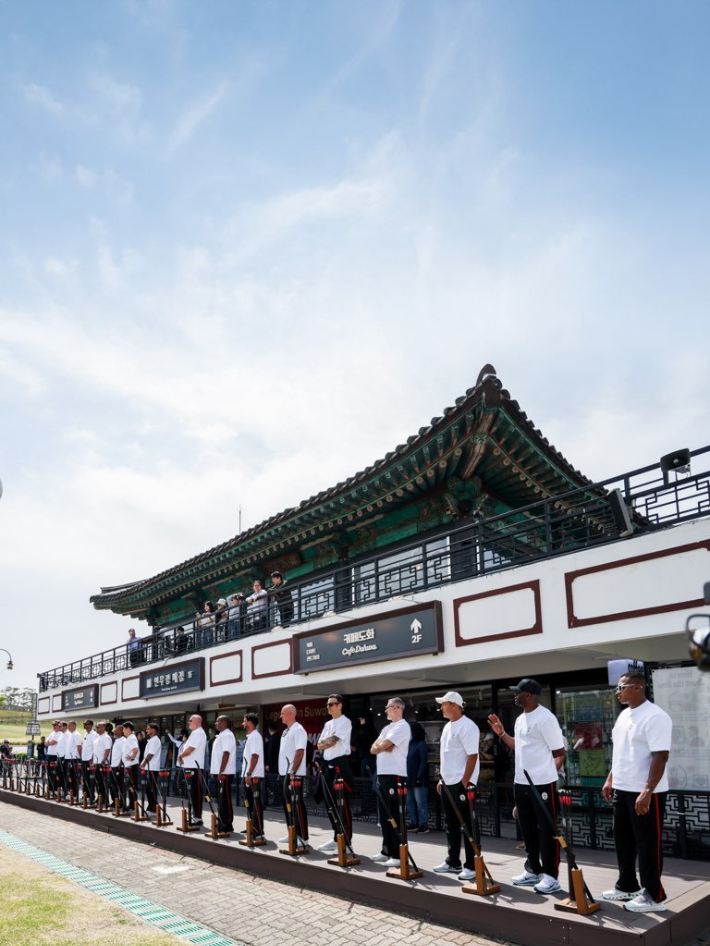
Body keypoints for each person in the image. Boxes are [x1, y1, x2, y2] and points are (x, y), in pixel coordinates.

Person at [601, 672, 672, 913]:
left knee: (647, 844)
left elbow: (660, 756)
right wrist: (611, 778)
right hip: (622, 788)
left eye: (621, 687)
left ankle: (654, 895)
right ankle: (626, 885)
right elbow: (621, 752)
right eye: (617, 688)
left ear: (638, 688)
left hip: (645, 792)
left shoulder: (655, 716)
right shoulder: (623, 715)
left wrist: (647, 791)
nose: (617, 692)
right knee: (623, 840)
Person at [488, 679, 566, 894]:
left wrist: (550, 774)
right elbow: (517, 746)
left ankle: (551, 876)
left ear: (529, 695)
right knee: (528, 829)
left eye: (518, 692)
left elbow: (560, 753)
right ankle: (533, 870)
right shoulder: (521, 718)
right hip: (520, 782)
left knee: (547, 830)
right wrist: (502, 733)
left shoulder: (546, 718)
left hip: (542, 784)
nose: (515, 695)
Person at [433, 692, 480, 880]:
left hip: (462, 783)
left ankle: (472, 865)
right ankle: (453, 861)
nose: (441, 708)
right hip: (447, 782)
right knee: (451, 824)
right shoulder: (447, 726)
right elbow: (446, 756)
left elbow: (472, 756)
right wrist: (441, 779)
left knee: (468, 824)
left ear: (453, 704)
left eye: (443, 704)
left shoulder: (469, 726)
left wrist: (465, 781)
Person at [371, 697, 411, 867]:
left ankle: (397, 854)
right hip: (382, 774)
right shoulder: (387, 727)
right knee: (384, 815)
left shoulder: (403, 726)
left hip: (395, 774)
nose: (386, 711)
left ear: (396, 708)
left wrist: (383, 745)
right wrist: (383, 746)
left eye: (387, 708)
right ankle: (386, 850)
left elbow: (388, 744)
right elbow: (373, 748)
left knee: (394, 814)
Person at [316, 694, 354, 852]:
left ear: (340, 705)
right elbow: (320, 744)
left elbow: (331, 741)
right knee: (329, 802)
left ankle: (346, 839)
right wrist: (325, 743)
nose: (328, 707)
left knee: (342, 802)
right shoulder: (327, 724)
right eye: (327, 704)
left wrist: (326, 743)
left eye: (331, 704)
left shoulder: (345, 722)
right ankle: (336, 835)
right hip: (327, 765)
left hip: (340, 764)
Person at [278, 704, 309, 846]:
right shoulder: (286, 731)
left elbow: (300, 752)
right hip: (285, 772)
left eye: (282, 713)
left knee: (296, 804)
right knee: (288, 804)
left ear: (290, 714)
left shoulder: (298, 730)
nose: (280, 716)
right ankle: (291, 832)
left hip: (294, 773)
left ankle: (303, 837)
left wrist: (293, 771)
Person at [178, 714, 208, 826]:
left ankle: (198, 817)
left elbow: (190, 749)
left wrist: (180, 756)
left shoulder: (199, 732)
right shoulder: (195, 733)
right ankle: (194, 814)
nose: (188, 722)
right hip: (189, 766)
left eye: (190, 720)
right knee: (191, 792)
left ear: (197, 722)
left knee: (196, 792)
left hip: (195, 767)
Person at [211, 715, 237, 832]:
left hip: (225, 773)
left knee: (225, 799)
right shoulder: (220, 735)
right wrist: (214, 772)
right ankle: (221, 821)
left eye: (218, 721)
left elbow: (226, 754)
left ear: (223, 723)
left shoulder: (227, 735)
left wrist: (221, 771)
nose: (216, 723)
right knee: (220, 799)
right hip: (219, 773)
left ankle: (227, 823)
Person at [242, 712, 265, 839]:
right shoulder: (251, 736)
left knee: (255, 802)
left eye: (244, 721)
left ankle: (258, 829)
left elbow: (255, 756)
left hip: (254, 774)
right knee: (249, 802)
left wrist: (249, 773)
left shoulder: (255, 736)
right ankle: (251, 826)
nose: (243, 723)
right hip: (248, 774)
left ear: (250, 723)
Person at [407, 721, 429, 835]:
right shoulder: (409, 744)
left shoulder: (421, 744)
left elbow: (423, 762)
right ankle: (414, 822)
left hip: (418, 778)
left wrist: (419, 777)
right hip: (409, 778)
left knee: (421, 803)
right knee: (409, 802)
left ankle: (424, 824)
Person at [140, 723, 162, 817]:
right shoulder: (151, 740)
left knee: (151, 789)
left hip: (152, 768)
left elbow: (151, 754)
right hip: (149, 768)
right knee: (149, 789)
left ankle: (153, 809)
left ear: (153, 730)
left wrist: (144, 762)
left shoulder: (155, 740)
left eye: (148, 728)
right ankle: (151, 807)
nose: (146, 730)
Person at [92, 721, 112, 806]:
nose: (96, 728)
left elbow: (107, 750)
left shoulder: (106, 737)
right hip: (96, 762)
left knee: (102, 782)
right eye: (96, 727)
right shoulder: (97, 737)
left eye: (98, 727)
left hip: (102, 763)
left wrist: (104, 760)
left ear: (103, 728)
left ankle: (105, 799)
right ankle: (100, 797)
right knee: (97, 782)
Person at [122, 721, 140, 812]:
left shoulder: (131, 738)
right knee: (129, 786)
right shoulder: (129, 738)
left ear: (128, 729)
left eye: (124, 729)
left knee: (132, 786)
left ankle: (133, 806)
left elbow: (135, 749)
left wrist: (133, 757)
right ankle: (132, 804)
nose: (123, 731)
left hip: (131, 766)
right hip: (128, 765)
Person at [81, 719, 98, 806]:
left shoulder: (94, 735)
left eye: (86, 724)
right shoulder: (86, 734)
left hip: (89, 760)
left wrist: (92, 758)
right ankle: (85, 795)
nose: (85, 725)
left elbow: (95, 748)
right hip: (84, 759)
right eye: (84, 724)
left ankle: (90, 796)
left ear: (91, 725)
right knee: (84, 779)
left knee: (90, 779)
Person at [109, 723, 125, 807]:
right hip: (112, 765)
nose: (114, 730)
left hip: (118, 767)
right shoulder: (116, 740)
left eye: (117, 729)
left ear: (121, 731)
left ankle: (121, 802)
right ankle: (115, 800)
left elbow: (124, 753)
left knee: (119, 785)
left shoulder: (123, 740)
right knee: (112, 785)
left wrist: (120, 763)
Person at [65, 720, 81, 798]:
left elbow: (79, 747)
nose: (68, 726)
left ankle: (74, 794)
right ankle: (71, 792)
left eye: (70, 725)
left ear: (74, 725)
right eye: (68, 725)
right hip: (69, 758)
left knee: (74, 777)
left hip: (74, 758)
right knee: (69, 777)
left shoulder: (76, 734)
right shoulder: (70, 734)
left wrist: (80, 758)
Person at [45, 722, 61, 796]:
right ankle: (50, 788)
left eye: (55, 725)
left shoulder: (60, 734)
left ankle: (55, 789)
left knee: (55, 773)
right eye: (53, 725)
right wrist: (48, 742)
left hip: (55, 755)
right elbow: (45, 742)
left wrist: (48, 742)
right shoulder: (52, 733)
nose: (54, 726)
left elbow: (53, 742)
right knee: (49, 773)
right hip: (49, 755)